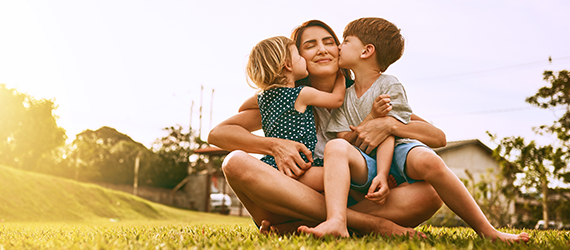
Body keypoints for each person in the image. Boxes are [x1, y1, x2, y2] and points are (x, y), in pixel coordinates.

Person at [299, 18, 529, 242]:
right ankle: (340, 221)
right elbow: (345, 141)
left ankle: (486, 229)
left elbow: (407, 133)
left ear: (367, 51)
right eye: (310, 45)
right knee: (336, 146)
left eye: (343, 41)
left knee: (429, 162)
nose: (338, 47)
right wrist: (372, 122)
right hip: (363, 166)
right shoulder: (339, 97)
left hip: (396, 150)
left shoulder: (388, 86)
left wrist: (384, 157)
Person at [208, 20, 445, 237]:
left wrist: (389, 124)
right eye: (310, 45)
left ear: (340, 50)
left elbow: (437, 137)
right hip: (290, 198)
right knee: (234, 162)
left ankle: (306, 225)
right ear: (293, 59)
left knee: (430, 194)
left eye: (330, 42)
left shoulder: (365, 95)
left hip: (359, 198)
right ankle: (368, 224)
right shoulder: (289, 99)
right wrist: (273, 145)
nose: (322, 49)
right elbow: (218, 133)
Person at [244, 36, 345, 177]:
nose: (302, 58)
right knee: (343, 178)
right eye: (298, 56)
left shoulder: (263, 98)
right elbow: (337, 99)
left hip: (274, 164)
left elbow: (242, 108)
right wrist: (341, 75)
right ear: (288, 65)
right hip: (302, 166)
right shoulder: (301, 93)